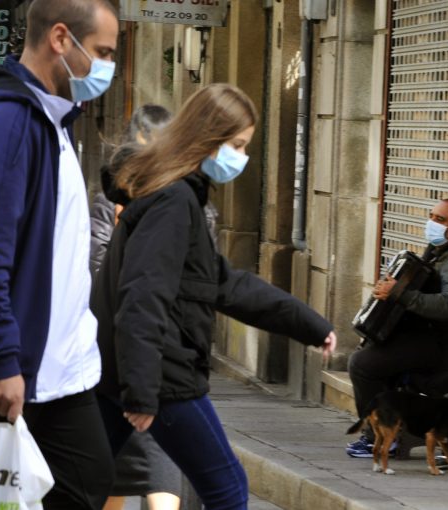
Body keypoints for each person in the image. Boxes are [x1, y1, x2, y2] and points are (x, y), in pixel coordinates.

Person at [91, 83, 337, 510]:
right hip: (162, 375)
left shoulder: (175, 195)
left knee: (80, 489)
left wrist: (309, 325)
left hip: (129, 372)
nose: (240, 157)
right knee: (226, 488)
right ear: (207, 139)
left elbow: (226, 284)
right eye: (237, 144)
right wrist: (143, 391)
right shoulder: (173, 200)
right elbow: (142, 296)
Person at [0, 0, 119, 507]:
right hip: (11, 369)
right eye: (102, 52)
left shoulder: (49, 119)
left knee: (87, 480)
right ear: (61, 39)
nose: (107, 67)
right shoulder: (7, 123)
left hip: (54, 370)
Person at [90, 105, 187, 510]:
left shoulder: (185, 200)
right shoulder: (106, 205)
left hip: (163, 348)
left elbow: (200, 273)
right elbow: (99, 269)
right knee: (116, 468)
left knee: (158, 459)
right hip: (115, 351)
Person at [345, 198, 448, 458]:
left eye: (440, 220)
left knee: (363, 364)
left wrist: (400, 294)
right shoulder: (442, 252)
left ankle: (379, 438)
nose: (432, 224)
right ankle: (390, 430)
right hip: (432, 338)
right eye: (431, 217)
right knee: (373, 348)